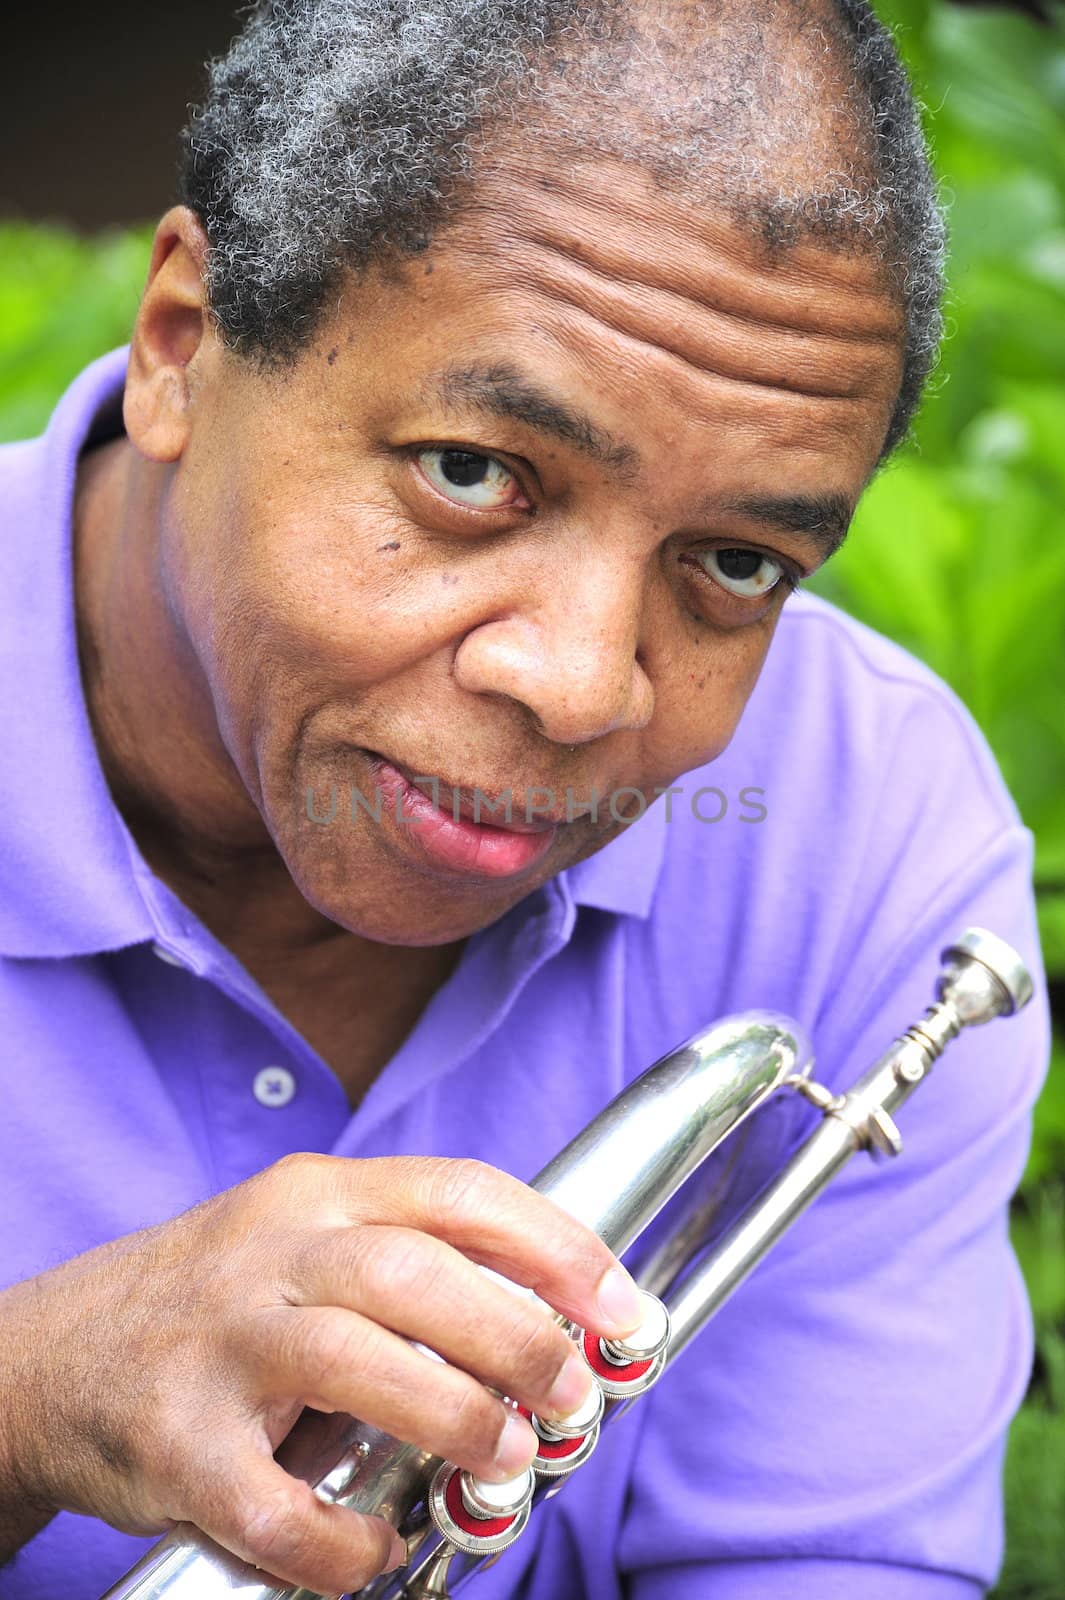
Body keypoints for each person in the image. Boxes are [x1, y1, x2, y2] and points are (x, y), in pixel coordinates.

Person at [0, 0, 1051, 1595]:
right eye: (473, 472)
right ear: (181, 346)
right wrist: (27, 1402)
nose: (580, 687)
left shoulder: (864, 830)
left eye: (737, 566)